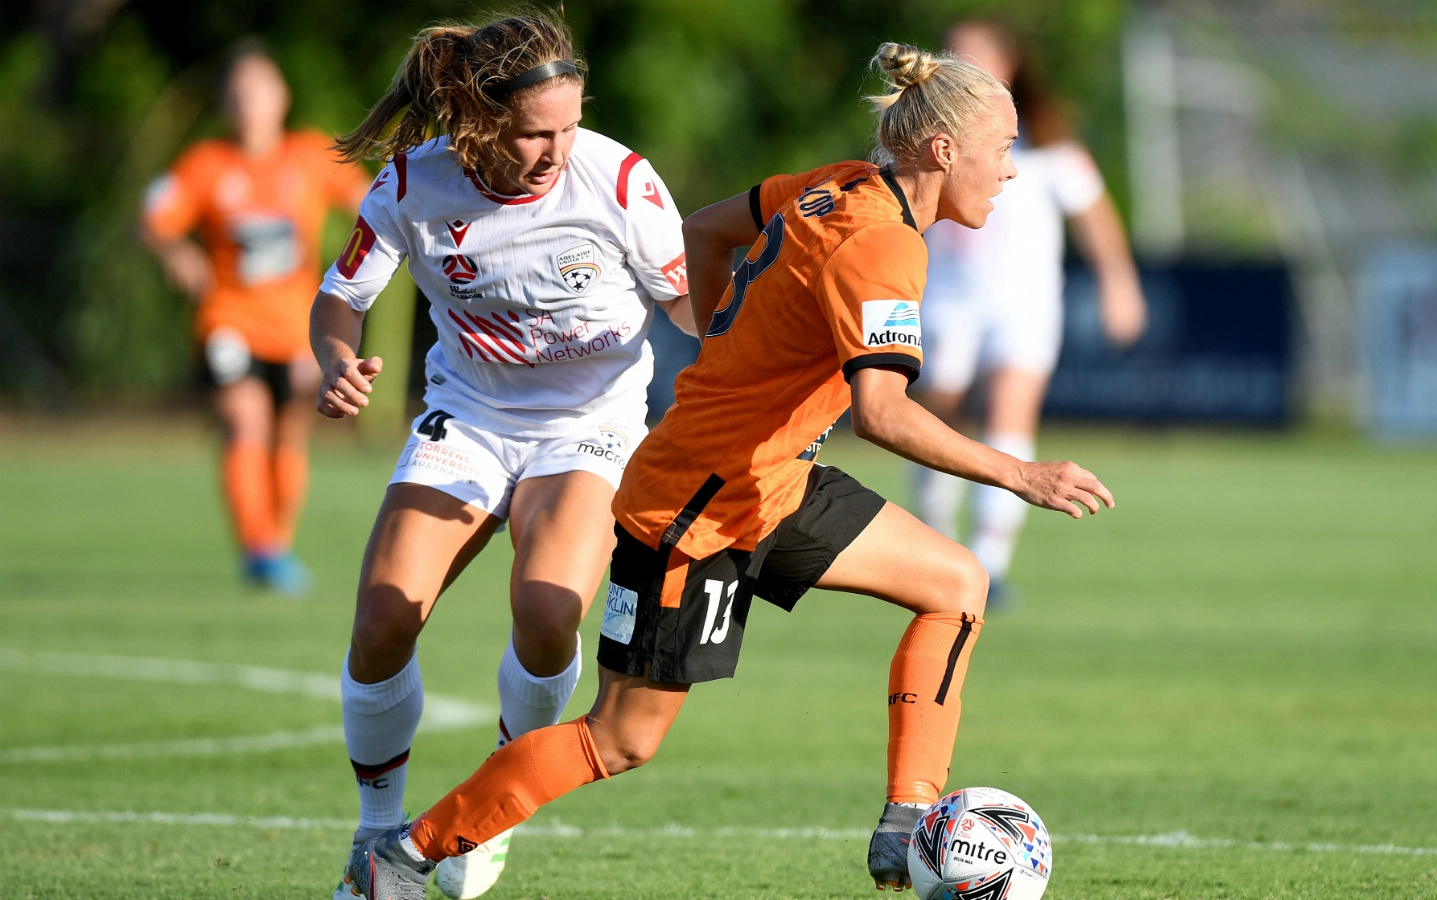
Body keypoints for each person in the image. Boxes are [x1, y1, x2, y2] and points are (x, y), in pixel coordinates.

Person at [341, 41, 1116, 900]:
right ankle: (402, 858)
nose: (1010, 171)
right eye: (1003, 149)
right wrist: (1023, 475)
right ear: (945, 151)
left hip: (769, 479)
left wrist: (729, 347)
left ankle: (907, 820)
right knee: (621, 739)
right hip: (697, 504)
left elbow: (705, 229)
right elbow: (882, 414)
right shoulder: (883, 246)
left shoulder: (838, 184)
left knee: (955, 584)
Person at [310, 13, 695, 900]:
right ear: (478, 119)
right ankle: (378, 839)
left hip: (591, 424)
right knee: (381, 622)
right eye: (533, 132)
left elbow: (687, 304)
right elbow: (340, 299)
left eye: (567, 126)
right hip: (471, 419)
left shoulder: (620, 180)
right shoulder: (414, 184)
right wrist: (337, 361)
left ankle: (493, 808)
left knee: (546, 609)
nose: (555, 148)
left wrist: (742, 342)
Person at [914, 20, 1147, 609]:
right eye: (956, 52)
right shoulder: (927, 133)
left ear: (1010, 63)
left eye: (979, 52)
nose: (966, 60)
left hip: (1023, 304)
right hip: (946, 297)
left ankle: (990, 567)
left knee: (1011, 416)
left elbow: (1095, 217)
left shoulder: (1047, 143)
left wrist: (1120, 284)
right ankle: (936, 548)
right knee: (937, 418)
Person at [141, 42, 371, 595]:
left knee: (289, 434)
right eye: (238, 94)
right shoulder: (206, 165)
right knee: (246, 422)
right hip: (228, 320)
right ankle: (258, 549)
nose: (249, 104)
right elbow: (153, 218)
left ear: (281, 97)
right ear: (225, 102)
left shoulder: (311, 156)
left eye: (259, 91)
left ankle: (277, 544)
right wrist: (177, 252)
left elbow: (374, 204)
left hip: (297, 329)